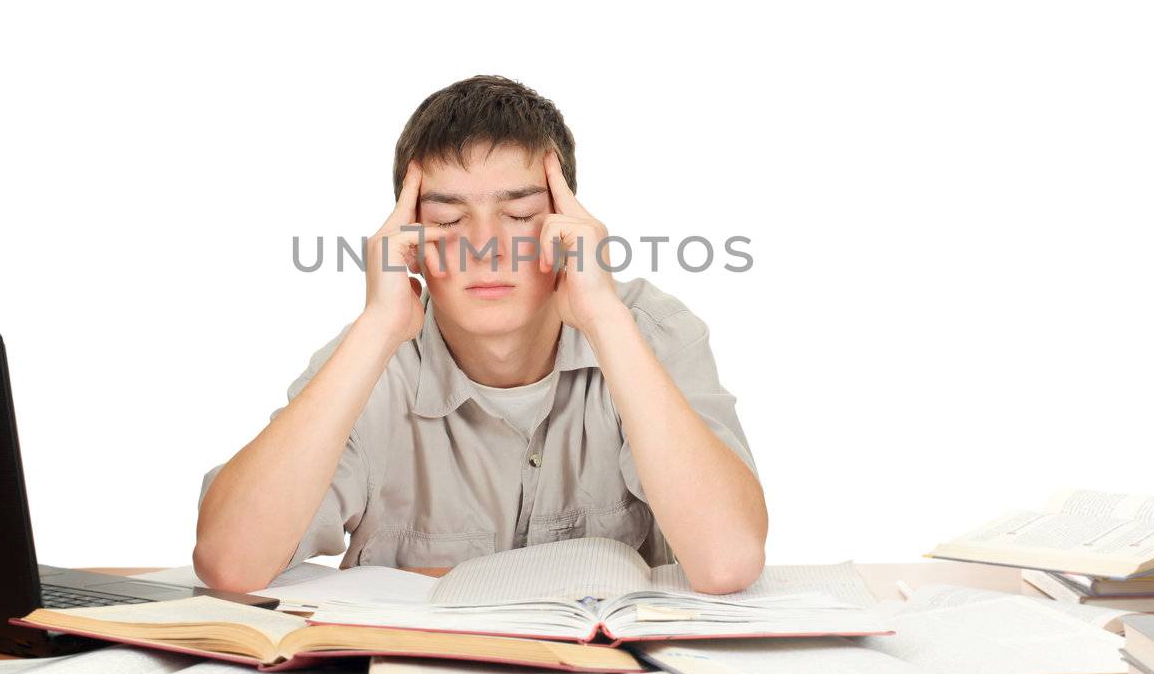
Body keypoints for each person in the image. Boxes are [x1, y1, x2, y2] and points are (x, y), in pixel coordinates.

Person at [193, 75, 766, 594]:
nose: (485, 246)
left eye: (519, 215)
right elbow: (230, 564)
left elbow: (728, 562)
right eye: (447, 220)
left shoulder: (654, 336)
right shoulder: (369, 363)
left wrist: (605, 318)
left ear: (569, 226)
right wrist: (376, 327)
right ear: (409, 237)